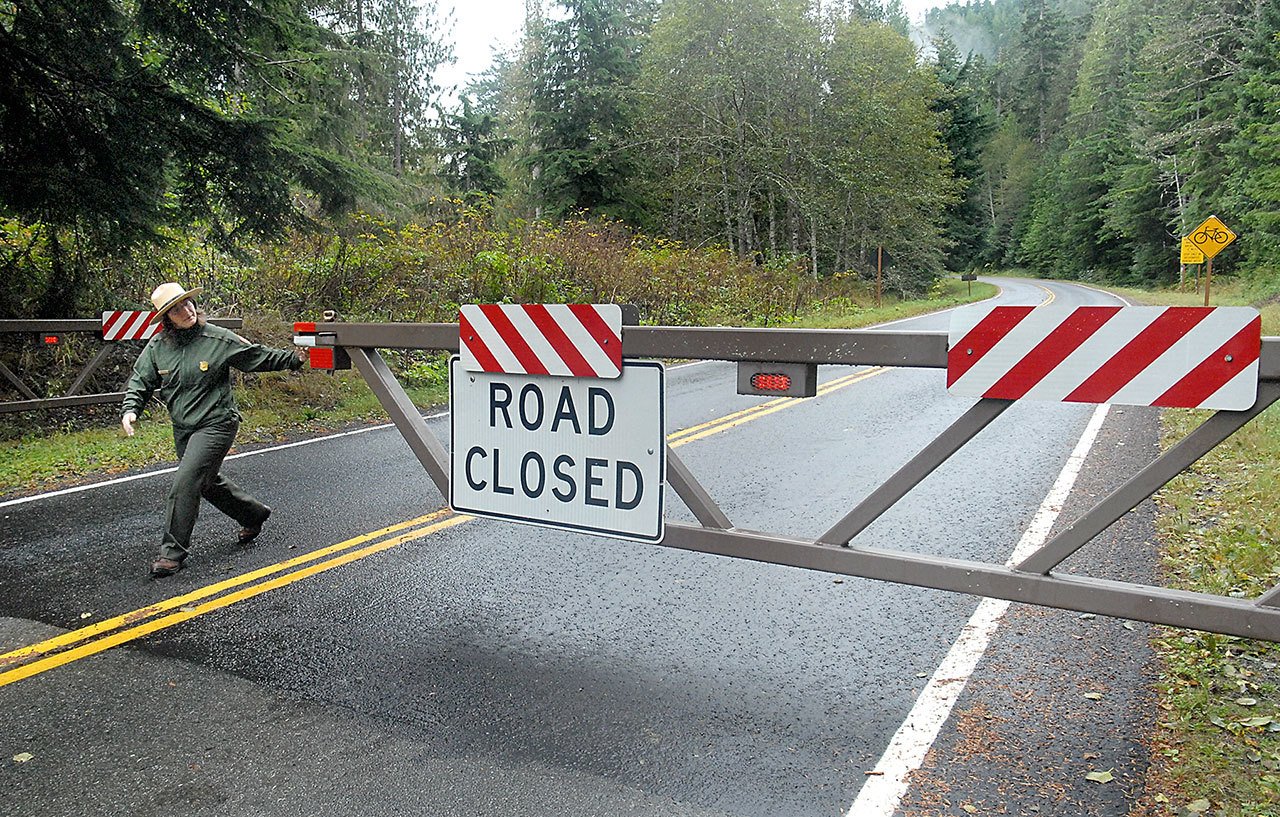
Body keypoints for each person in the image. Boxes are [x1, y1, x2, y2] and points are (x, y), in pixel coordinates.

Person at [121, 283, 307, 578]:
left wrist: (294, 359)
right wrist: (131, 409)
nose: (186, 311)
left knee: (185, 482)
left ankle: (171, 554)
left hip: (217, 423)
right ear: (166, 317)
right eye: (177, 309)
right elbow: (139, 381)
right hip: (184, 428)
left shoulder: (217, 339)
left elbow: (255, 356)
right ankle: (253, 514)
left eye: (188, 304)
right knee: (205, 483)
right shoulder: (158, 348)